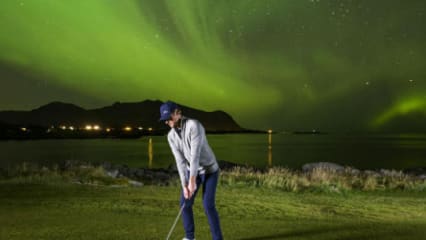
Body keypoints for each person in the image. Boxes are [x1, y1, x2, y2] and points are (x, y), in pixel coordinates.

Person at [159, 101, 223, 240]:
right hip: (192, 171)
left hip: (210, 170)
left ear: (178, 113)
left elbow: (195, 156)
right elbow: (180, 162)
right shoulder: (170, 137)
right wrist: (185, 185)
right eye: (164, 120)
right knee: (184, 203)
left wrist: (192, 181)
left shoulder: (194, 125)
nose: (167, 122)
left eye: (169, 118)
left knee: (208, 205)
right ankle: (190, 237)